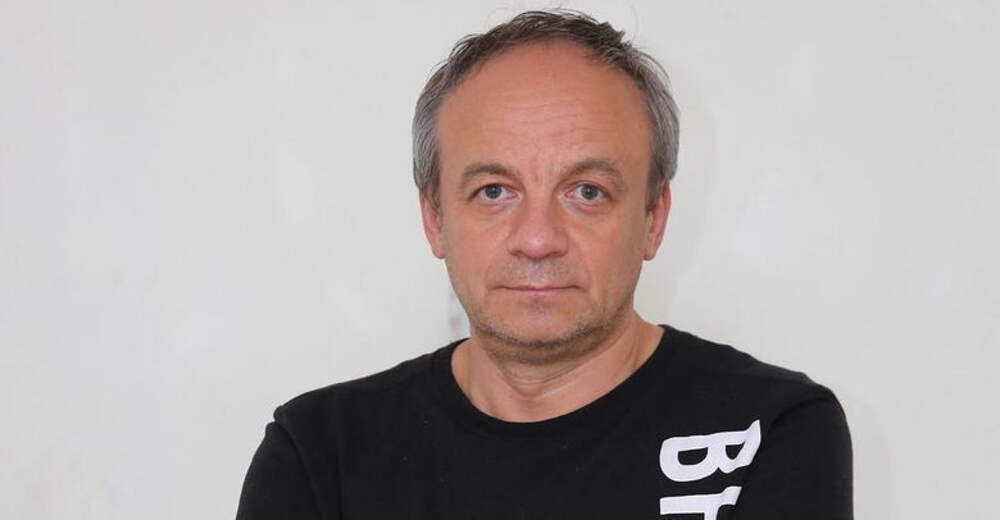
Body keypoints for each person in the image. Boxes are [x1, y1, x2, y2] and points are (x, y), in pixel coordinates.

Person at [236, 9, 852, 520]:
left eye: (586, 192)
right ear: (434, 218)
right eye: (493, 191)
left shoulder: (771, 431)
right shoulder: (319, 454)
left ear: (653, 218)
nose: (537, 240)